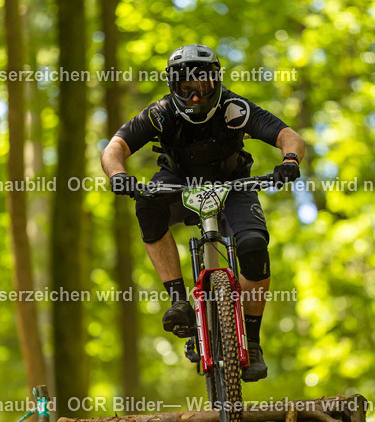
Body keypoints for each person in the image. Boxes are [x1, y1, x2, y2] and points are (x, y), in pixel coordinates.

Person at [101, 44, 305, 382]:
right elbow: (115, 147)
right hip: (177, 181)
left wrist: (289, 161)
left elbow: (288, 136)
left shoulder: (234, 108)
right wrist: (118, 175)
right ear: (173, 87)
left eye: (204, 86)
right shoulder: (160, 113)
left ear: (217, 81)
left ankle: (251, 342)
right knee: (147, 206)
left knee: (253, 246)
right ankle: (179, 301)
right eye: (186, 88)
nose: (196, 97)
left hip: (233, 183)